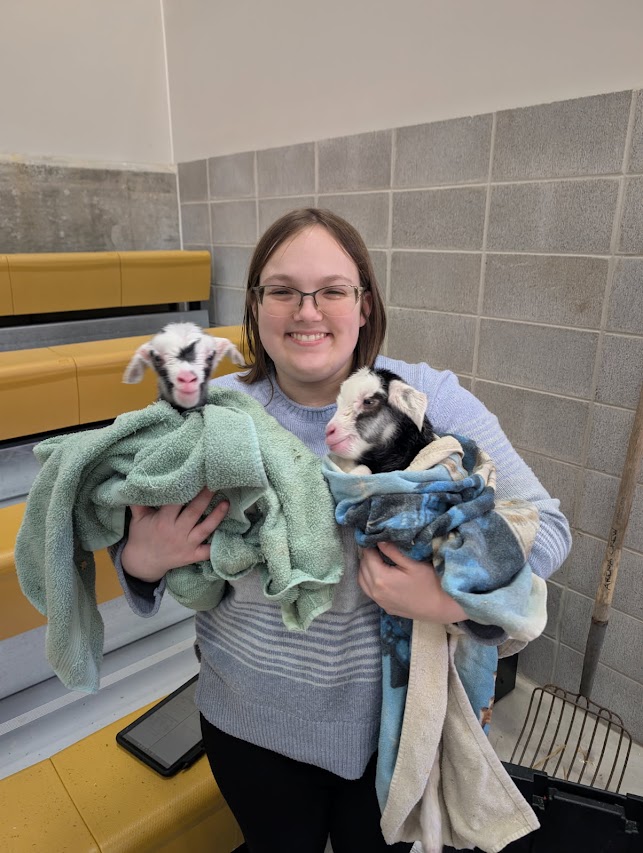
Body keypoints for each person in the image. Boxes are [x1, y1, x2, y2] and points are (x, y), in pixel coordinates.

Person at [115, 208, 571, 853]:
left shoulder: (426, 398)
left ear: (363, 305)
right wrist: (141, 560)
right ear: (255, 304)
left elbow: (546, 526)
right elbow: (128, 534)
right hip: (249, 723)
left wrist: (448, 601)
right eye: (283, 290)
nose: (307, 311)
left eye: (332, 289)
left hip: (395, 727)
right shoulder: (207, 413)